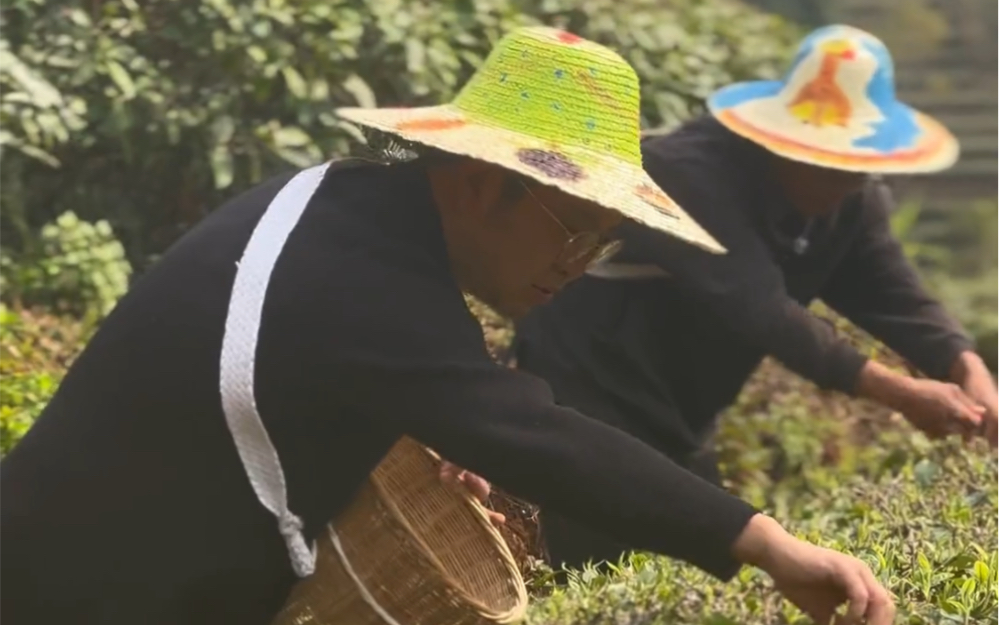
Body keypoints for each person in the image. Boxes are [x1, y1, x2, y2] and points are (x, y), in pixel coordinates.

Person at [1, 27, 894, 625]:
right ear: (477, 179)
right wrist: (767, 543)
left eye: (602, 241)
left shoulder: (351, 211)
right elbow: (538, 436)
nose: (574, 264)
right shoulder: (365, 275)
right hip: (78, 586)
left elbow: (365, 377)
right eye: (569, 226)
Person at [512, 24, 999, 576]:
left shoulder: (853, 202)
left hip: (681, 407)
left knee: (691, 562)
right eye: (818, 157)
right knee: (601, 556)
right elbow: (759, 309)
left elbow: (895, 294)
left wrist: (967, 365)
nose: (834, 179)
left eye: (850, 164)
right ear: (778, 138)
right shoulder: (691, 171)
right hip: (590, 384)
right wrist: (904, 394)